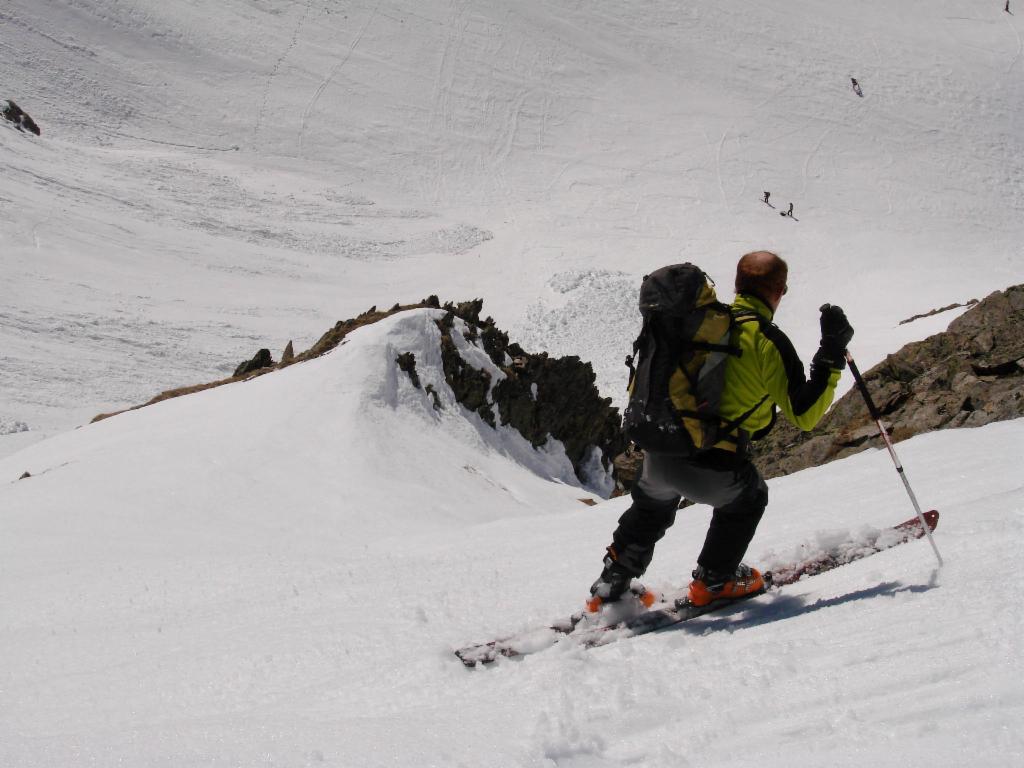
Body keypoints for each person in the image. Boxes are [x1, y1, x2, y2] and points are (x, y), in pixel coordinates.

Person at [588, 251, 854, 609]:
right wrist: (831, 354)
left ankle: (610, 585)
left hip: (660, 451)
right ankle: (715, 581)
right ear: (780, 290)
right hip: (710, 464)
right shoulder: (765, 339)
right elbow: (804, 415)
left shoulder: (702, 324)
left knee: (652, 510)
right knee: (750, 498)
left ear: (736, 284)